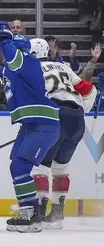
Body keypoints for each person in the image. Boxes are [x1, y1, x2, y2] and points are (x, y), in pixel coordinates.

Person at [0, 23, 60, 232]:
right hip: (30, 125)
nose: (4, 51)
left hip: (43, 124)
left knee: (20, 167)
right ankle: (28, 211)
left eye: (7, 48)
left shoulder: (28, 61)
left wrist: (3, 36)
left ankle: (31, 214)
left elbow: (13, 57)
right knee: (16, 166)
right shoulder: (13, 70)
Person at [29, 38, 96, 229]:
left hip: (54, 116)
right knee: (61, 167)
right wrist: (81, 112)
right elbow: (90, 89)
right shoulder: (61, 66)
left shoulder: (30, 70)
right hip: (76, 119)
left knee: (40, 165)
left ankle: (40, 212)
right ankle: (57, 215)